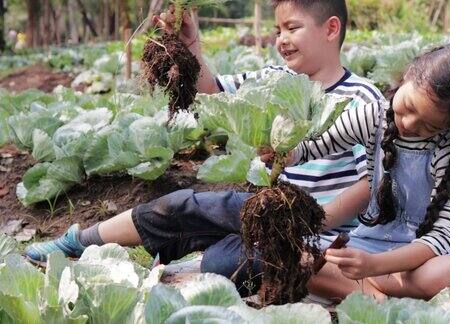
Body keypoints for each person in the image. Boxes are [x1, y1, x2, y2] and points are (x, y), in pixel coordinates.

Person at [25, 0, 382, 293]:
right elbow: (215, 92)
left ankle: (187, 268)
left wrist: (314, 220)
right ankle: (78, 240)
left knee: (232, 263)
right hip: (271, 212)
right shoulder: (275, 80)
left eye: (292, 28)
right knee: (182, 205)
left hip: (324, 235)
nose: (281, 39)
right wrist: (190, 45)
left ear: (331, 29)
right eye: (277, 31)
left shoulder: (363, 98)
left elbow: (373, 183)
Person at [268, 43, 450, 300]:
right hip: (368, 243)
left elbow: (439, 239)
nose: (408, 123)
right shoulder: (373, 116)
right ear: (409, 73)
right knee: (291, 257)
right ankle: (374, 297)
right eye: (409, 106)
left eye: (429, 126)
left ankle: (359, 290)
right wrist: (288, 153)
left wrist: (373, 266)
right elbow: (318, 143)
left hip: (420, 257)